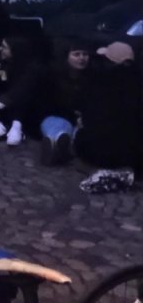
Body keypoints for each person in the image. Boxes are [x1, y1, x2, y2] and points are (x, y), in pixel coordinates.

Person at [41, 41, 141, 192]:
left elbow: (88, 116)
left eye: (84, 54)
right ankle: (60, 139)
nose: (82, 58)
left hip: (102, 151)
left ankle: (63, 143)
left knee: (73, 132)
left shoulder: (100, 82)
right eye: (77, 54)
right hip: (136, 155)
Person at [0, 36, 46, 146]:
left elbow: (22, 88)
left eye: (4, 47)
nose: (0, 49)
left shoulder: (32, 67)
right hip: (2, 106)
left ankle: (17, 126)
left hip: (22, 109)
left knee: (22, 96)